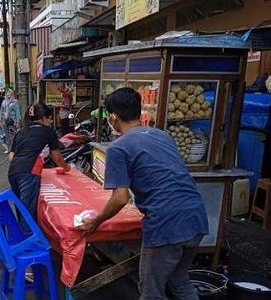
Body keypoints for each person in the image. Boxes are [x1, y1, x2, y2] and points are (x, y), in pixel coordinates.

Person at [78, 87, 208, 300]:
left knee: (151, 292)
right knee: (179, 281)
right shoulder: (162, 135)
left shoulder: (118, 148)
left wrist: (96, 221)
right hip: (196, 216)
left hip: (167, 223)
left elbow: (121, 198)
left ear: (112, 117)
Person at [8, 103, 70, 231]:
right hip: (29, 173)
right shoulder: (48, 131)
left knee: (21, 208)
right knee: (28, 213)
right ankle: (28, 246)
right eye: (50, 118)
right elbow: (57, 158)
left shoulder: (21, 132)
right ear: (44, 118)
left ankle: (22, 238)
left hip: (13, 172)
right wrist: (67, 168)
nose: (51, 121)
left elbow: (10, 156)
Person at [0, 88, 21, 153]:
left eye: (9, 92)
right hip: (4, 120)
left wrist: (18, 121)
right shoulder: (3, 101)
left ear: (12, 94)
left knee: (13, 135)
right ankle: (8, 149)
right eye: (7, 92)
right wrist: (0, 120)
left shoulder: (15, 101)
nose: (8, 94)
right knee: (6, 135)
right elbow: (1, 111)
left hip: (12, 120)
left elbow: (17, 112)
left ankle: (14, 149)